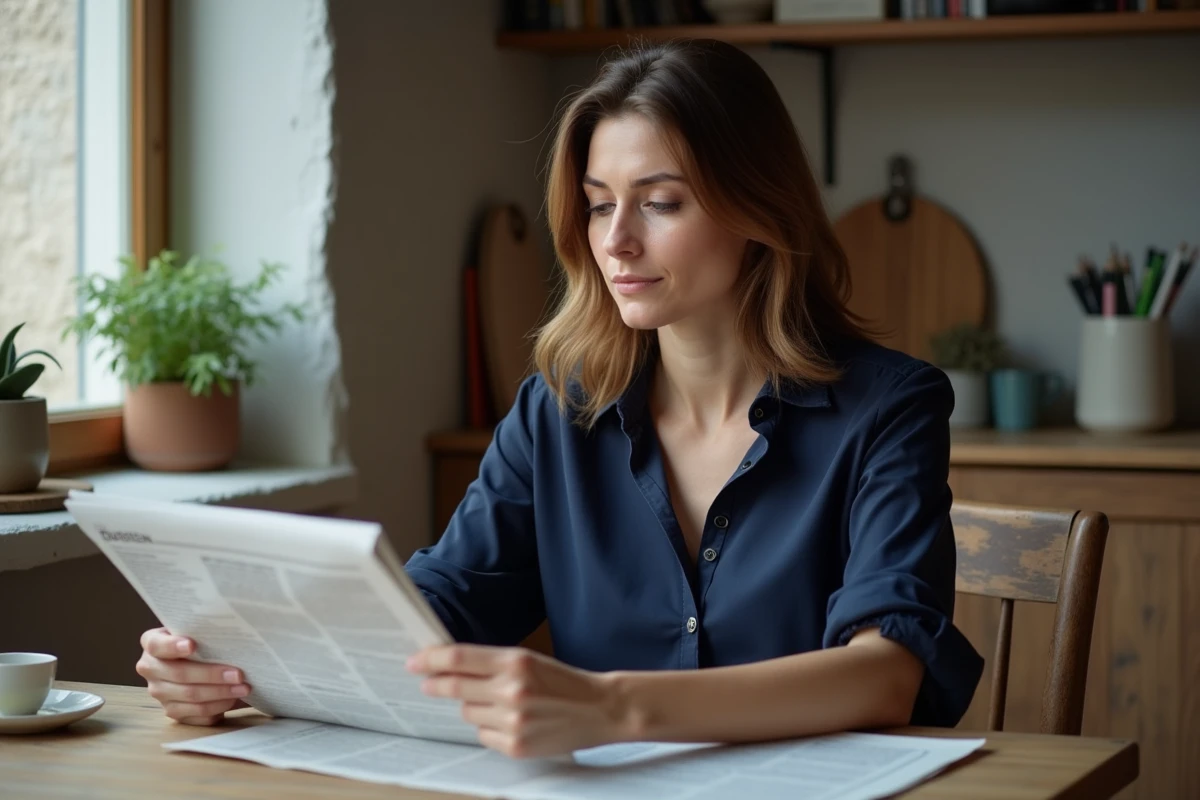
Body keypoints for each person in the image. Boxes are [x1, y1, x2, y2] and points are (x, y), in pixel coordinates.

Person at [135, 38, 983, 759]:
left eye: (660, 203)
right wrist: (239, 663)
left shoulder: (890, 408)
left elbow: (886, 673)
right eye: (598, 205)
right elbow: (442, 608)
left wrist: (613, 706)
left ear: (758, 207)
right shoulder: (558, 411)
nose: (616, 241)